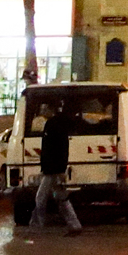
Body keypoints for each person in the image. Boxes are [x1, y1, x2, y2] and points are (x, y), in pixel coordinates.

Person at [30, 98, 83, 236]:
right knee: (60, 197)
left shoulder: (54, 124)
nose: (43, 111)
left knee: (41, 197)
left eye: (45, 108)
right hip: (52, 168)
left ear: (51, 109)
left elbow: (59, 148)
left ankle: (38, 225)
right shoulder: (55, 124)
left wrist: (59, 168)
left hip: (52, 169)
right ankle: (74, 224)